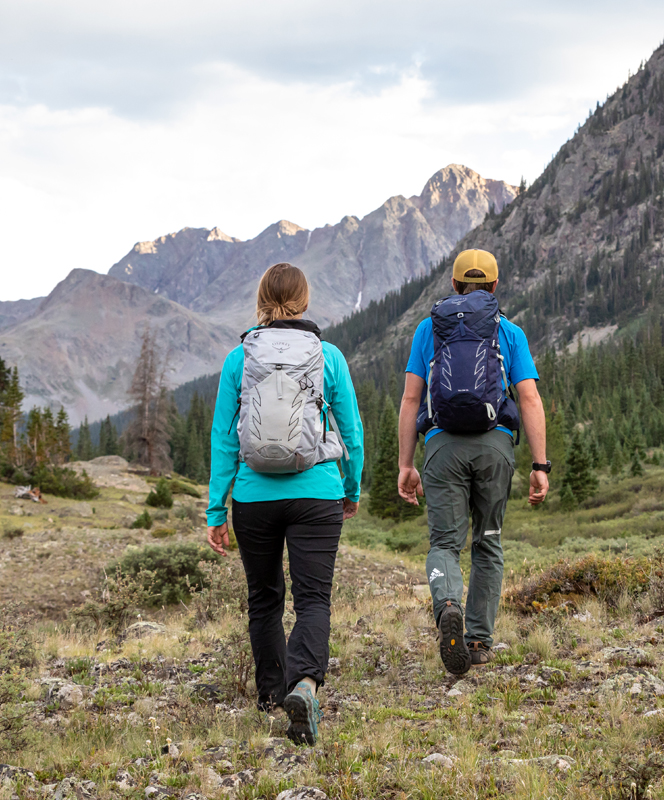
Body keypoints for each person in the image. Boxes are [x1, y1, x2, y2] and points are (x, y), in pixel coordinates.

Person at [206, 262, 363, 745]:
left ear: (261, 299)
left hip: (254, 498)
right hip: (316, 492)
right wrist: (350, 488)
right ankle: (306, 685)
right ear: (304, 300)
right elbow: (351, 431)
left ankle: (272, 697)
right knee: (313, 599)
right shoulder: (327, 355)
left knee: (265, 599)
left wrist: (217, 509)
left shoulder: (240, 357)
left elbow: (223, 439)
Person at [397, 249, 549, 675]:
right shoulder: (509, 332)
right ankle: (478, 640)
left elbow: (412, 399)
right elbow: (530, 398)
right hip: (494, 446)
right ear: (496, 287)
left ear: (454, 284)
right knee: (488, 541)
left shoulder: (429, 330)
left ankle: (447, 603)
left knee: (444, 544)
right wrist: (540, 465)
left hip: (442, 447)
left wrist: (406, 464)